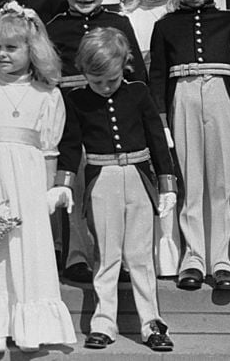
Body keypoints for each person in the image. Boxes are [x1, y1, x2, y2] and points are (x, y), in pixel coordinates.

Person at [0, 3, 76, 353]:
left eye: (12, 48)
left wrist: (47, 189)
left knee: (27, 246)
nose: (3, 54)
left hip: (27, 176)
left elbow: (50, 147)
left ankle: (30, 322)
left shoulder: (48, 95)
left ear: (32, 50)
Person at [51, 28, 176, 351]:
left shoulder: (138, 93)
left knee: (140, 256)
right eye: (96, 82)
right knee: (106, 254)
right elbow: (69, 145)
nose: (105, 88)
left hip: (137, 175)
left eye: (111, 80)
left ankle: (152, 324)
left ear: (124, 66)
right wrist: (63, 183)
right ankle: (104, 322)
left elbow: (157, 140)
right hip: (101, 178)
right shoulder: (77, 99)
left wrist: (167, 183)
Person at [149, 0, 230, 292]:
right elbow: (157, 75)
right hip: (183, 97)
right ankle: (193, 256)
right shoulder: (165, 26)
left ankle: (223, 259)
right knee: (189, 179)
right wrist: (161, 118)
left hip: (222, 95)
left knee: (222, 181)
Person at [47, 0, 146, 284]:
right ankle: (77, 255)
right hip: (71, 111)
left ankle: (112, 256)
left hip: (109, 109)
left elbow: (135, 74)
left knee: (109, 186)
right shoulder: (55, 27)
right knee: (73, 179)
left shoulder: (118, 23)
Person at [121, 0, 182, 277]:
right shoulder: (125, 11)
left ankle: (169, 252)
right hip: (132, 96)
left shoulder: (171, 15)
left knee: (168, 167)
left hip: (164, 99)